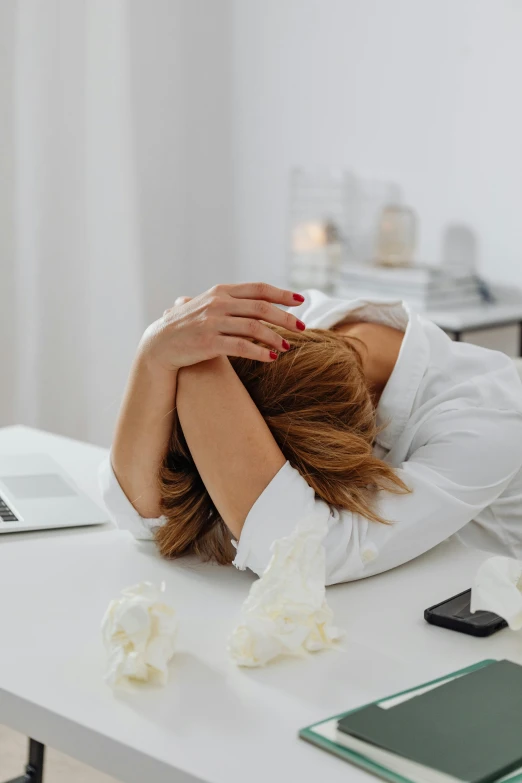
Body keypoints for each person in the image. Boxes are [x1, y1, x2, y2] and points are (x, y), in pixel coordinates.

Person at [100, 282, 522, 586]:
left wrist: (194, 363)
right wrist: (156, 351)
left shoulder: (490, 420)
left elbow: (303, 555)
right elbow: (144, 516)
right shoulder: (291, 328)